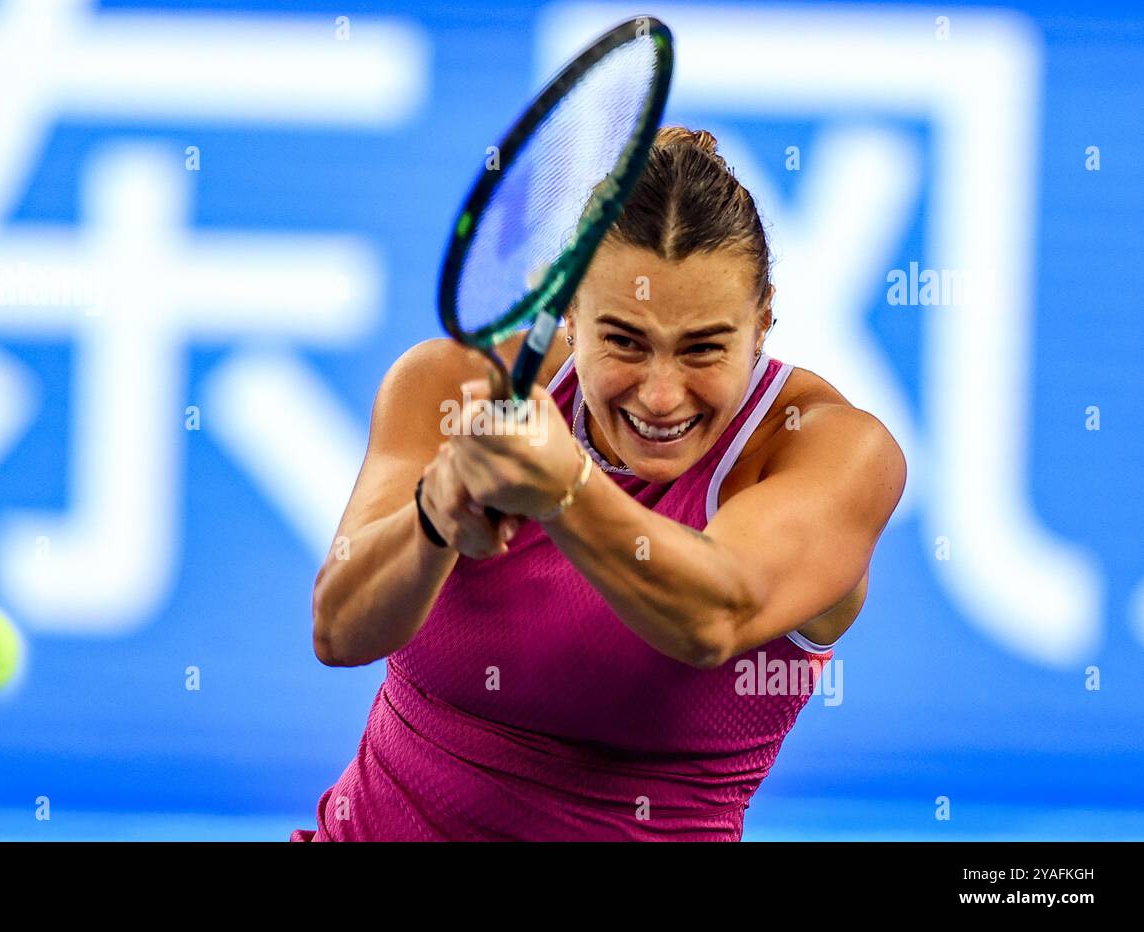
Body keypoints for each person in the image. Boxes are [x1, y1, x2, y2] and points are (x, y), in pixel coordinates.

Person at [291, 126, 907, 841]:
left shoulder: (832, 450)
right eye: (624, 342)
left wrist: (564, 489)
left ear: (763, 320)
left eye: (704, 348)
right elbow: (338, 629)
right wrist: (436, 512)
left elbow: (714, 617)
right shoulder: (452, 383)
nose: (661, 395)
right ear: (568, 309)